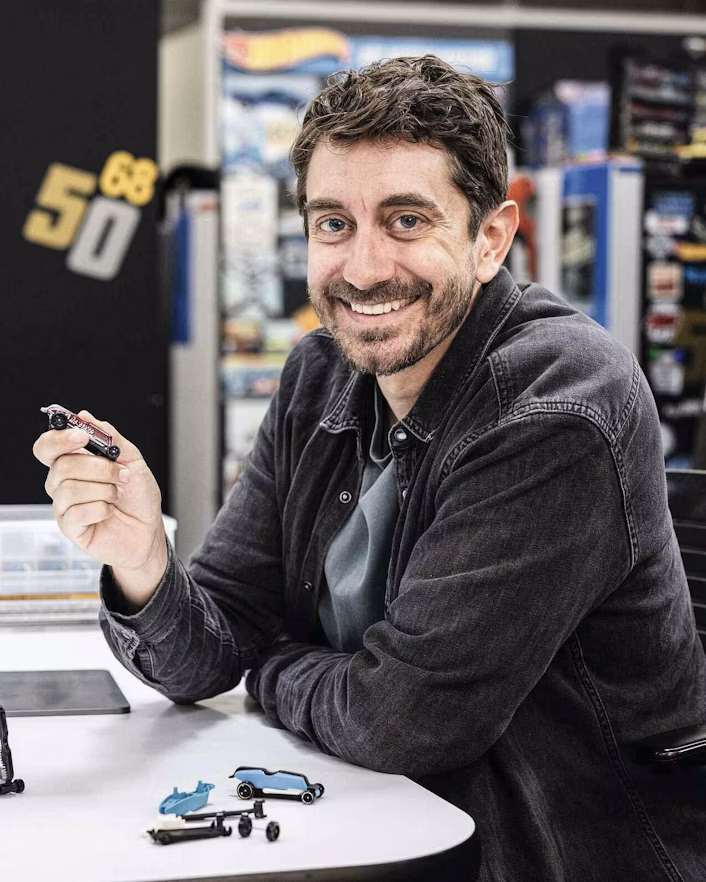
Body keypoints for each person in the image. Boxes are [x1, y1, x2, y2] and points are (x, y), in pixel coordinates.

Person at [34, 56, 705, 881]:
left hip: (547, 848)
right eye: (333, 224)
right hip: (372, 820)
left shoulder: (559, 401)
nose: (362, 269)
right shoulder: (320, 375)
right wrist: (141, 563)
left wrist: (271, 665)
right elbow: (208, 652)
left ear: (490, 237)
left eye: (407, 220)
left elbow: (403, 722)